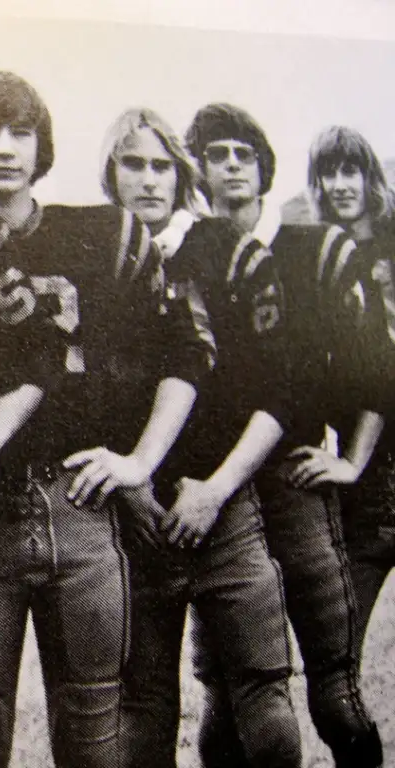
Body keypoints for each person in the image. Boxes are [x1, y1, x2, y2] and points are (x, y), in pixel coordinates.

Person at [0, 73, 210, 768]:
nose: (5, 149)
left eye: (22, 133)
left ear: (44, 145)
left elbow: (188, 357)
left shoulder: (100, 236)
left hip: (77, 508)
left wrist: (140, 461)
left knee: (95, 735)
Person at [99, 106, 307, 768]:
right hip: (135, 516)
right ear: (111, 173)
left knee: (265, 706)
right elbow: (80, 395)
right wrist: (130, 490)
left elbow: (282, 392)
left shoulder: (231, 251)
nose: (149, 180)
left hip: (224, 505)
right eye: (133, 164)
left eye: (162, 165)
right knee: (141, 706)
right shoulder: (92, 254)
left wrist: (217, 490)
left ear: (182, 175)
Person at [179, 105, 382, 768]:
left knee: (333, 690)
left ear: (265, 167)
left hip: (292, 476)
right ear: (199, 170)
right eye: (217, 154)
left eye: (243, 152)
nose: (231, 165)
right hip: (225, 486)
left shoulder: (312, 248)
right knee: (228, 690)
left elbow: (376, 365)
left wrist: (350, 458)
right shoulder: (190, 251)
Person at [308, 125, 395, 763]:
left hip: (376, 458)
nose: (341, 185)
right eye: (329, 173)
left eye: (352, 171)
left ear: (371, 178)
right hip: (362, 487)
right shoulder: (317, 256)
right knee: (335, 669)